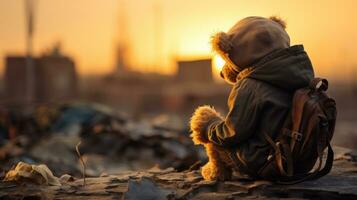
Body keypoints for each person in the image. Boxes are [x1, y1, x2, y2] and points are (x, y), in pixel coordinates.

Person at [190, 16, 315, 180]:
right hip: (298, 160)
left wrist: (208, 127)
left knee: (208, 123)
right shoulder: (301, 74)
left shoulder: (250, 86)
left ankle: (217, 172)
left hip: (264, 162)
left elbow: (232, 133)